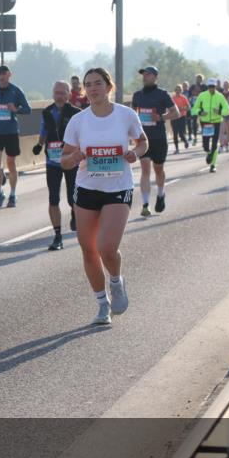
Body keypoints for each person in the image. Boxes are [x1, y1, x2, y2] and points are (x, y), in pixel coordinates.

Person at [60, 68, 147, 326]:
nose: (93, 88)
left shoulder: (125, 115)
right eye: (88, 84)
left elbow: (142, 142)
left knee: (106, 248)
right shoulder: (78, 121)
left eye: (98, 83)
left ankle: (116, 281)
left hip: (118, 186)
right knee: (89, 249)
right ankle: (102, 304)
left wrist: (136, 153)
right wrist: (73, 158)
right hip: (87, 188)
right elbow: (63, 160)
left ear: (109, 87)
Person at [33, 80, 80, 250]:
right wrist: (39, 144)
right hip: (52, 161)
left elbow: (82, 135)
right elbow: (44, 130)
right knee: (53, 198)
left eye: (62, 93)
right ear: (53, 94)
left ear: (69, 94)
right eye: (56, 93)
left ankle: (76, 213)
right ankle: (57, 236)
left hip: (71, 160)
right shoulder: (47, 112)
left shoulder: (76, 113)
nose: (59, 96)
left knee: (71, 197)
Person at [131, 66, 179, 217]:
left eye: (148, 74)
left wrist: (160, 117)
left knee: (158, 170)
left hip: (159, 138)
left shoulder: (162, 94)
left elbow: (176, 113)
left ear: (155, 77)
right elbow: (133, 116)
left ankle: (160, 194)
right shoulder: (137, 95)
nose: (145, 77)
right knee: (145, 170)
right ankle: (145, 204)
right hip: (143, 139)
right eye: (144, 74)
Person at [0, 65, 31, 208]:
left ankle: (12, 194)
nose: (2, 76)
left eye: (4, 73)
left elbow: (27, 109)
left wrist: (16, 109)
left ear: (9, 74)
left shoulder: (16, 91)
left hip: (11, 132)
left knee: (11, 163)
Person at [191, 78, 229, 173]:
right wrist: (200, 112)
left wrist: (220, 112)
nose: (211, 88)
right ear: (207, 87)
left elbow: (227, 109)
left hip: (216, 122)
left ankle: (213, 165)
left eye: (213, 87)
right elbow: (194, 109)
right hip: (205, 122)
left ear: (215, 87)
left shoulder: (220, 96)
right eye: (209, 87)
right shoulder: (202, 95)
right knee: (205, 145)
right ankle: (208, 152)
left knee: (214, 144)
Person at [171, 84, 191, 153]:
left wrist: (181, 108)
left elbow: (188, 107)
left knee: (181, 133)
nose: (178, 91)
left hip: (182, 117)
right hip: (174, 117)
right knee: (175, 133)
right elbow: (168, 107)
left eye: (179, 90)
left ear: (181, 90)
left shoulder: (183, 98)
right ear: (175, 90)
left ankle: (185, 141)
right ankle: (177, 149)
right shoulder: (172, 98)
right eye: (176, 89)